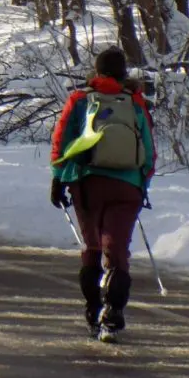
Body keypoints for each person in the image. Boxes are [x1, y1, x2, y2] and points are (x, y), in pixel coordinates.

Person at [50, 47, 156, 342]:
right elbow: (148, 147)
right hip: (127, 186)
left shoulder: (80, 99)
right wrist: (141, 182)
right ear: (125, 73)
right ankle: (113, 312)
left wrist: (58, 178)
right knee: (117, 249)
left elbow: (62, 139)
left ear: (96, 72)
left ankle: (93, 308)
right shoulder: (135, 102)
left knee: (93, 247)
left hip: (87, 182)